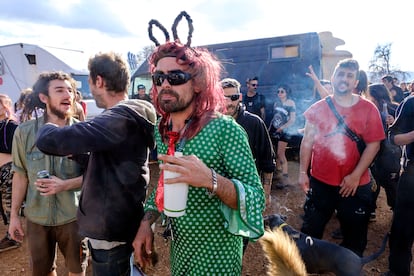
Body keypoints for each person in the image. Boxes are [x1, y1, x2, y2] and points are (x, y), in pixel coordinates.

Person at [133, 13, 265, 275]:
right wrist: (147, 222)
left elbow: (256, 200)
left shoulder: (225, 130)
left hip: (218, 259)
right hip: (180, 255)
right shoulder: (163, 129)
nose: (165, 84)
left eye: (176, 77)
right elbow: (163, 184)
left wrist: (210, 179)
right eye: (158, 78)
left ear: (198, 83)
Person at [35, 52, 157, 276]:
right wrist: (82, 157)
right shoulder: (126, 116)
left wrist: (47, 123)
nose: (90, 89)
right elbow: (115, 162)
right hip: (117, 225)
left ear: (99, 81)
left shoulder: (119, 118)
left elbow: (50, 140)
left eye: (90, 83)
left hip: (110, 232)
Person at [298, 58, 384, 257]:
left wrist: (355, 176)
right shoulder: (318, 108)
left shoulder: (368, 109)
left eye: (349, 75)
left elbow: (374, 144)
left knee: (354, 240)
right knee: (310, 233)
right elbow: (307, 141)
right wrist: (303, 172)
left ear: (356, 82)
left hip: (354, 185)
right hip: (320, 182)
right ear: (333, 78)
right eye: (340, 74)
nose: (344, 79)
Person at [8, 72, 88, 276]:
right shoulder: (24, 133)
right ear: (44, 98)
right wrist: (14, 216)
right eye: (60, 90)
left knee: (77, 269)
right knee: (42, 272)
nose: (68, 95)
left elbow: (94, 177)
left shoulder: (83, 133)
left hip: (73, 217)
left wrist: (65, 185)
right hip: (36, 217)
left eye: (70, 90)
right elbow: (20, 175)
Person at [220, 78, 275, 209]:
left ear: (239, 97)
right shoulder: (210, 123)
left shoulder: (254, 123)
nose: (228, 103)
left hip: (247, 192)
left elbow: (267, 161)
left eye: (233, 97)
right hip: (218, 193)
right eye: (223, 98)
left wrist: (266, 194)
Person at [385, 94, 414, 276]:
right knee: (403, 230)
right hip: (413, 177)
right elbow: (392, 137)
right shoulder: (411, 103)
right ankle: (398, 272)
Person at [365, 84, 399, 214]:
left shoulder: (394, 108)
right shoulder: (369, 109)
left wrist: (394, 121)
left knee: (390, 184)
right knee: (373, 182)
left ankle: (397, 211)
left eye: (370, 95)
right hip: (375, 151)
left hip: (389, 153)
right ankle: (370, 210)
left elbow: (405, 128)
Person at [0, 94, 20, 252]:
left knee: (9, 204)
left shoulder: (11, 125)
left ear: (5, 106)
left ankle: (13, 236)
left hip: (8, 169)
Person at [268, 84, 296, 189]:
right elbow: (275, 117)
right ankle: (278, 174)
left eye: (282, 91)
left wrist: (283, 128)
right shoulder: (277, 103)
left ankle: (286, 178)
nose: (279, 93)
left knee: (281, 153)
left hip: (285, 131)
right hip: (275, 130)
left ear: (287, 92)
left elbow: (292, 119)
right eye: (278, 91)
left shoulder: (291, 103)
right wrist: (270, 128)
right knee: (275, 153)